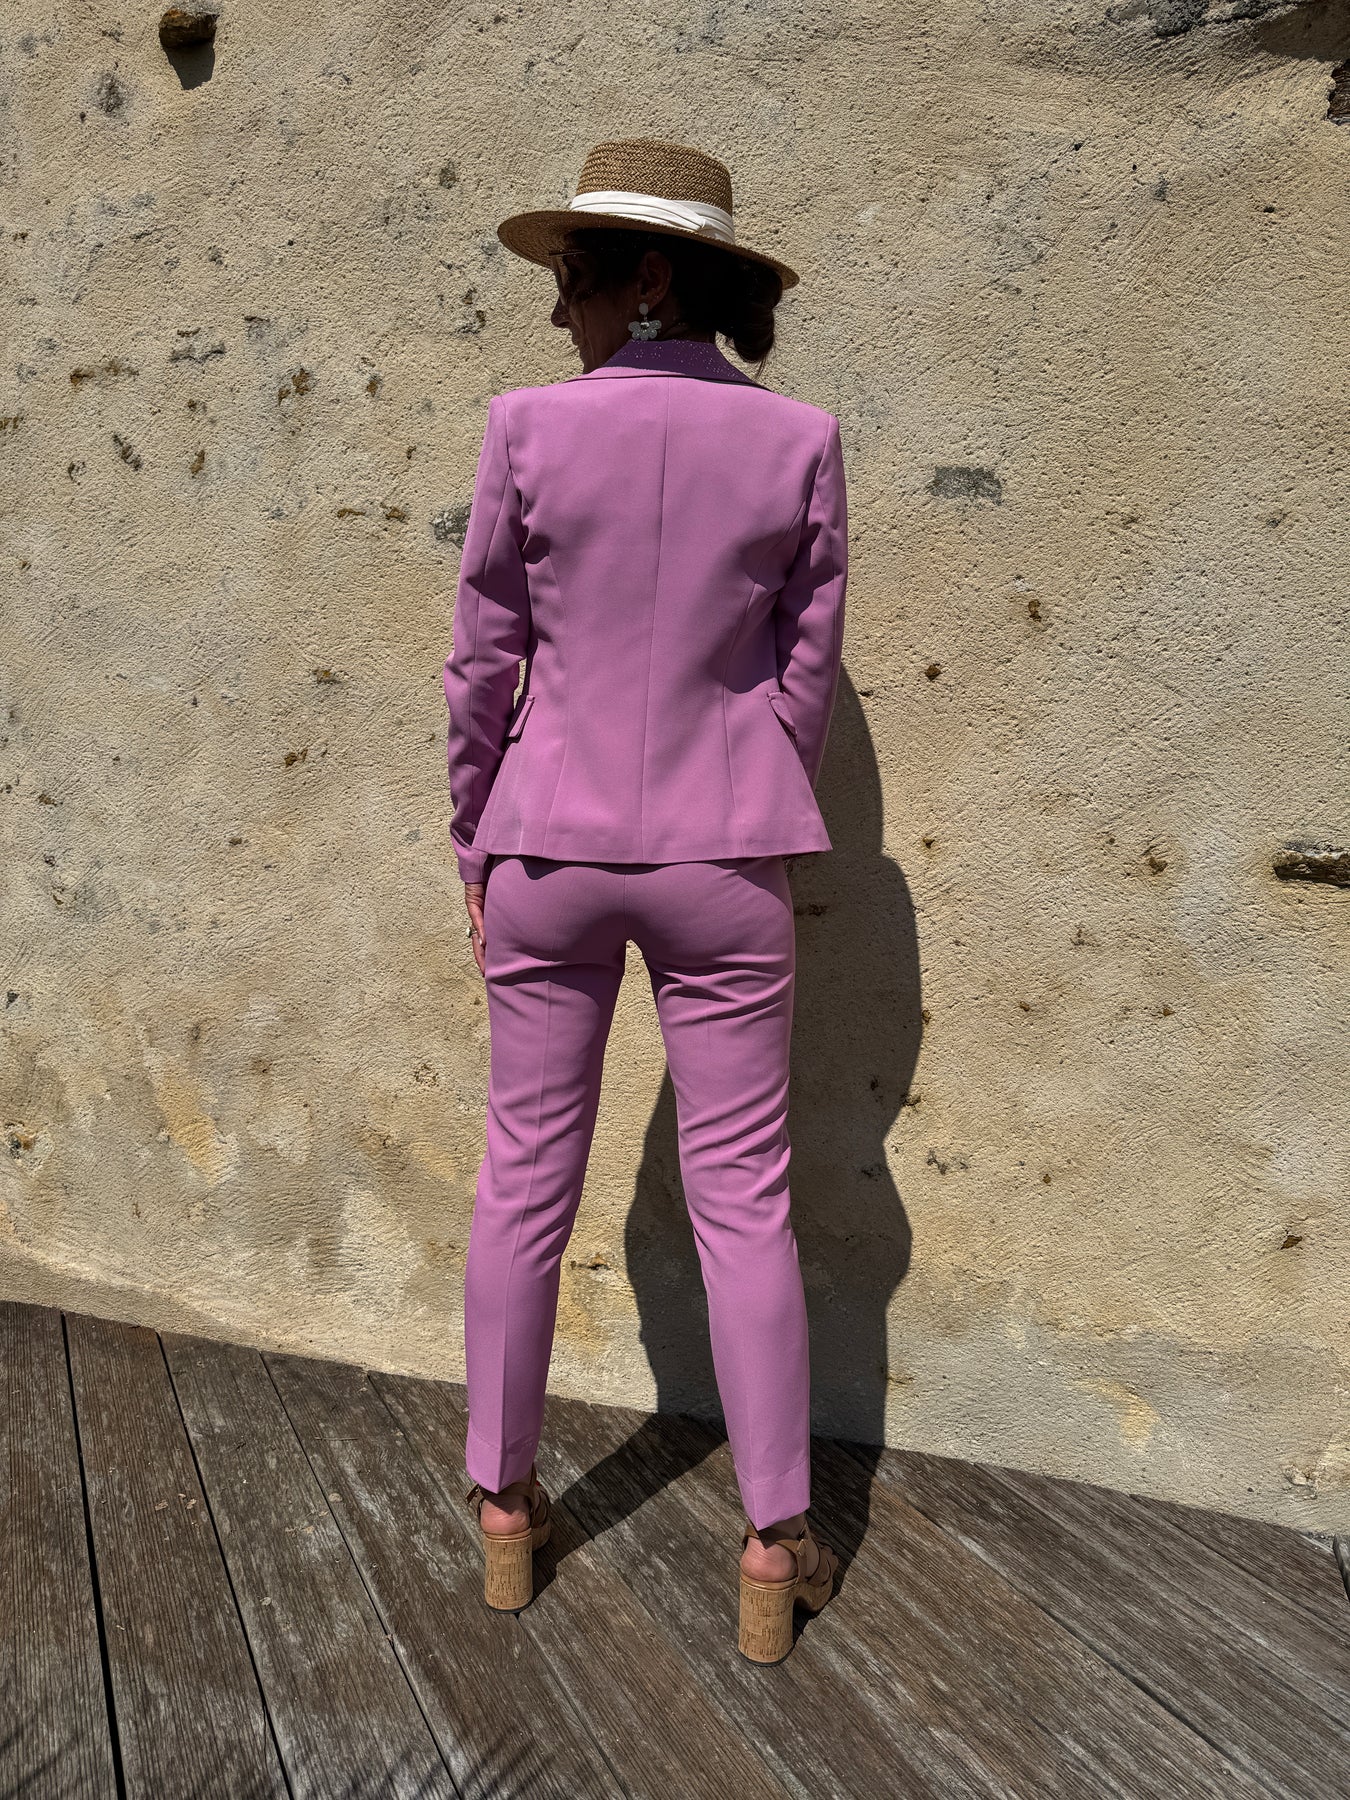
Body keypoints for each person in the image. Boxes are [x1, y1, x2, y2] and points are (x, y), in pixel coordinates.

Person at [443, 138, 847, 1664]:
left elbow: (483, 665)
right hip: (723, 861)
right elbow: (801, 680)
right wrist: (741, 790)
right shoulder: (800, 442)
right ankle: (773, 1543)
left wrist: (475, 842)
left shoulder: (526, 431)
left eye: (573, 279)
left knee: (521, 1177)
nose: (557, 312)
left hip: (547, 851)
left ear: (650, 277)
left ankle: (503, 1506)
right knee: (744, 1195)